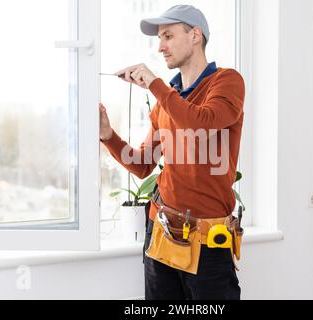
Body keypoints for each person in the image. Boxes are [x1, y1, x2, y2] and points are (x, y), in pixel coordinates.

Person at [99, 4, 245, 300]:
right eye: (159, 39)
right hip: (161, 233)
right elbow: (142, 165)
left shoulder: (227, 82)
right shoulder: (166, 102)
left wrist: (155, 85)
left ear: (195, 35)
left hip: (208, 244)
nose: (161, 47)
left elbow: (200, 121)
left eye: (168, 36)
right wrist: (108, 136)